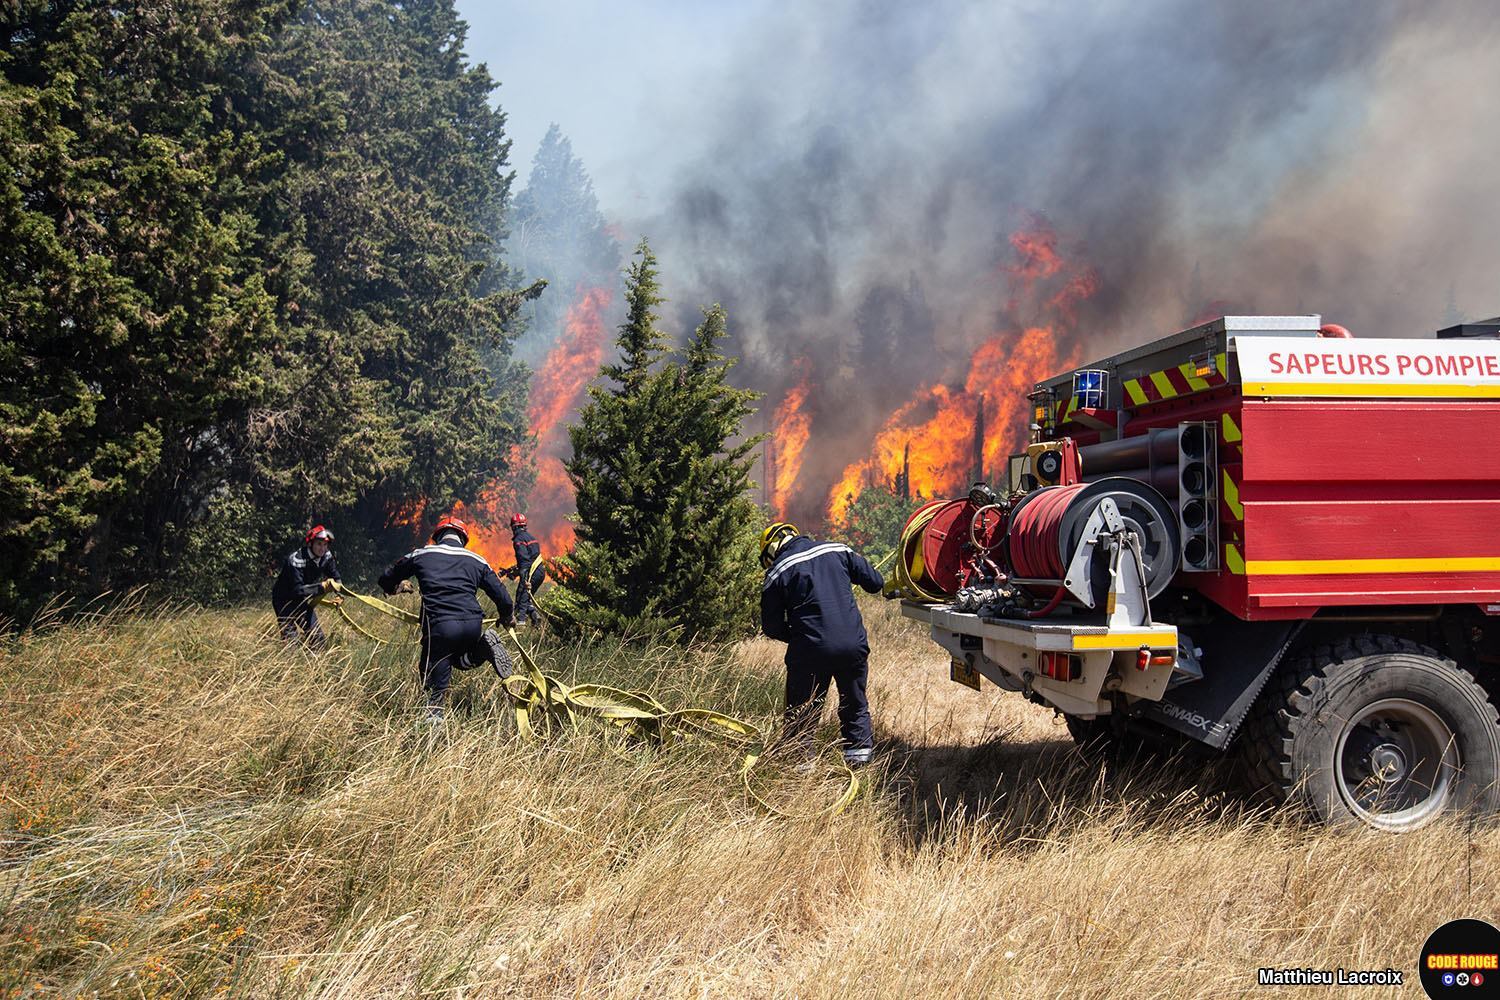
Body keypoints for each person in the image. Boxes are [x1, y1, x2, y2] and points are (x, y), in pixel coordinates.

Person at [758, 521, 885, 767]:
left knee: (802, 711)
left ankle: (801, 770)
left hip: (809, 652)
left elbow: (771, 627)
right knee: (855, 704)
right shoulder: (838, 549)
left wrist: (798, 636)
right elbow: (876, 583)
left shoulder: (777, 571)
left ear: (772, 548)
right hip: (853, 646)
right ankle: (859, 764)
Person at [377, 516, 515, 723]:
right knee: (460, 660)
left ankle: (433, 718)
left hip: (440, 624)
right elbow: (502, 595)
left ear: (437, 536)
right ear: (463, 538)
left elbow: (387, 577)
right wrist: (507, 616)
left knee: (436, 665)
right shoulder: (477, 560)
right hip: (472, 623)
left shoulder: (422, 553)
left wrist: (393, 588)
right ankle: (484, 647)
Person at [271, 525, 341, 649]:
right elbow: (298, 590)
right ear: (311, 544)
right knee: (291, 643)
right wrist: (322, 587)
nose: (322, 548)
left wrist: (339, 594)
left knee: (318, 638)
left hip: (301, 601)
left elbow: (335, 576)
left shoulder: (327, 556)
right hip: (283, 601)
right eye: (319, 544)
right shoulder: (296, 560)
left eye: (325, 545)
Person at [506, 513, 544, 627]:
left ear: (514, 527)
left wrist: (523, 576)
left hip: (530, 573)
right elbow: (530, 559)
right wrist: (515, 571)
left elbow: (524, 561)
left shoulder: (518, 539)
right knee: (526, 597)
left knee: (521, 597)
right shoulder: (532, 537)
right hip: (540, 572)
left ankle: (520, 625)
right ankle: (534, 617)